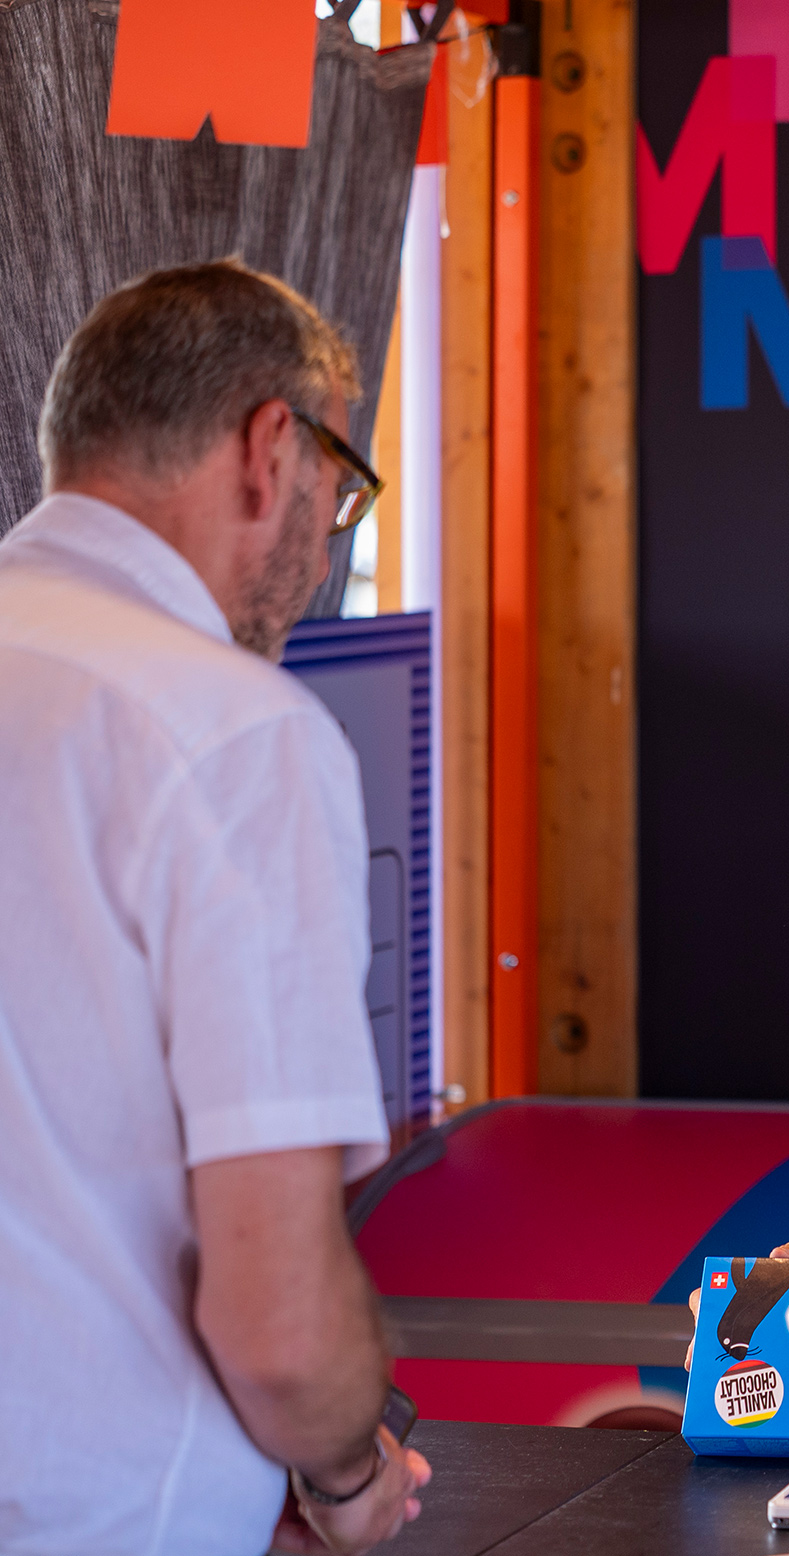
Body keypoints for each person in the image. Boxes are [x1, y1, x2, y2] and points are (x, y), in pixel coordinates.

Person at [0, 261, 431, 1553]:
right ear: (271, 450)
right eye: (340, 494)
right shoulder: (233, 735)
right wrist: (352, 1482)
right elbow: (283, 1330)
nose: (326, 538)